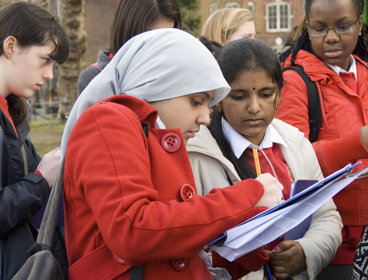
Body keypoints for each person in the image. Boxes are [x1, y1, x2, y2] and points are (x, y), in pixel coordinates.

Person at [60, 28, 286, 279]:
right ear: (159, 85)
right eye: (196, 101)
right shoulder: (109, 120)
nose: (204, 117)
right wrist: (248, 195)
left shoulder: (159, 137)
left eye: (209, 104)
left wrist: (254, 237)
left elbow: (177, 245)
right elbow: (132, 231)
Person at [187, 38, 342, 280]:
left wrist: (305, 252)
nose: (255, 107)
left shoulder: (295, 142)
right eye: (238, 97)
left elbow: (327, 216)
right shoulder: (196, 155)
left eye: (266, 94)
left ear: (279, 94)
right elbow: (191, 247)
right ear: (219, 100)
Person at [275, 0, 368, 278]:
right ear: (308, 27)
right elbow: (290, 166)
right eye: (319, 28)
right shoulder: (294, 82)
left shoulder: (365, 72)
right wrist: (359, 141)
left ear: (359, 25)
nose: (330, 37)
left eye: (343, 26)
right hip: (335, 239)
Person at [0, 2, 69, 279]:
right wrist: (40, 180)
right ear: (11, 46)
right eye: (45, 60)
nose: (50, 74)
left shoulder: (11, 112)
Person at [77, 0, 181, 95]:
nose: (161, 45)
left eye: (169, 35)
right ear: (130, 30)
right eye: (152, 37)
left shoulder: (172, 76)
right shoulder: (96, 78)